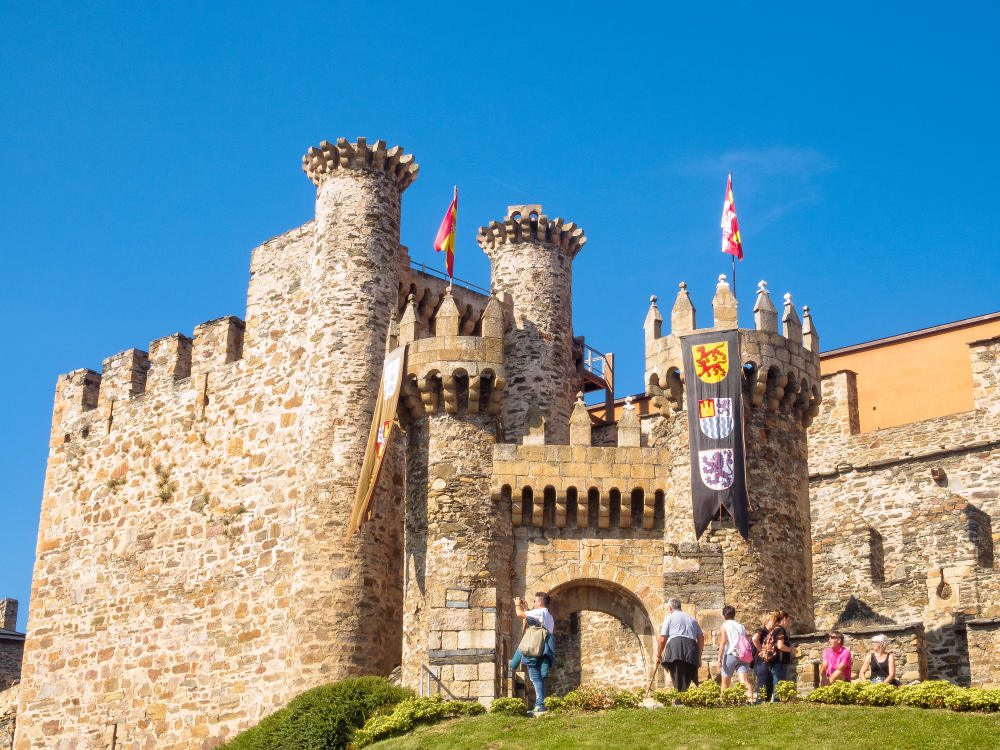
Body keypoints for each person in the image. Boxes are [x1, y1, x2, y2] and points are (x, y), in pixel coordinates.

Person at [515, 592, 555, 713]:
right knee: (539, 677)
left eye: (535, 601)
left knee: (535, 677)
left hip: (535, 648)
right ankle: (540, 703)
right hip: (544, 648)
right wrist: (527, 608)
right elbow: (534, 620)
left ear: (541, 602)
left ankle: (539, 704)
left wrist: (517, 605)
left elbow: (519, 614)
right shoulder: (549, 615)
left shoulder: (540, 612)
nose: (534, 603)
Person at [655, 597, 704, 692]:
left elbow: (662, 639)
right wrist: (699, 656)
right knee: (687, 675)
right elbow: (701, 637)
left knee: (677, 674)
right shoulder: (692, 619)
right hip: (691, 647)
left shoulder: (669, 618)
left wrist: (658, 655)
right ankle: (684, 698)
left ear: (670, 608)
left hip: (676, 647)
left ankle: (679, 700)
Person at [717, 604, 753, 701]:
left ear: (724, 615)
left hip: (731, 652)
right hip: (742, 653)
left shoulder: (725, 625)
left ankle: (723, 700)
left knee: (725, 680)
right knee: (744, 680)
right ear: (734, 614)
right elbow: (745, 640)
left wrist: (719, 656)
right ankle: (750, 699)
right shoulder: (741, 626)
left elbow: (723, 641)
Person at [768, 610, 797, 700]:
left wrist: (789, 646)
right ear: (784, 619)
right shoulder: (780, 629)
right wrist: (791, 650)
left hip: (773, 660)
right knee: (779, 683)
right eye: (787, 620)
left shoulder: (773, 629)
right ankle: (777, 702)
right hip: (779, 660)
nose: (787, 623)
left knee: (777, 682)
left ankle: (777, 701)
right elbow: (780, 646)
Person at [751, 612, 776, 703]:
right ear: (767, 621)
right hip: (761, 663)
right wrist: (761, 650)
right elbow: (755, 638)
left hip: (768, 663)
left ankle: (766, 706)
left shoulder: (771, 632)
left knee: (769, 687)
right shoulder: (761, 630)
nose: (775, 623)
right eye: (774, 621)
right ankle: (759, 705)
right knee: (763, 687)